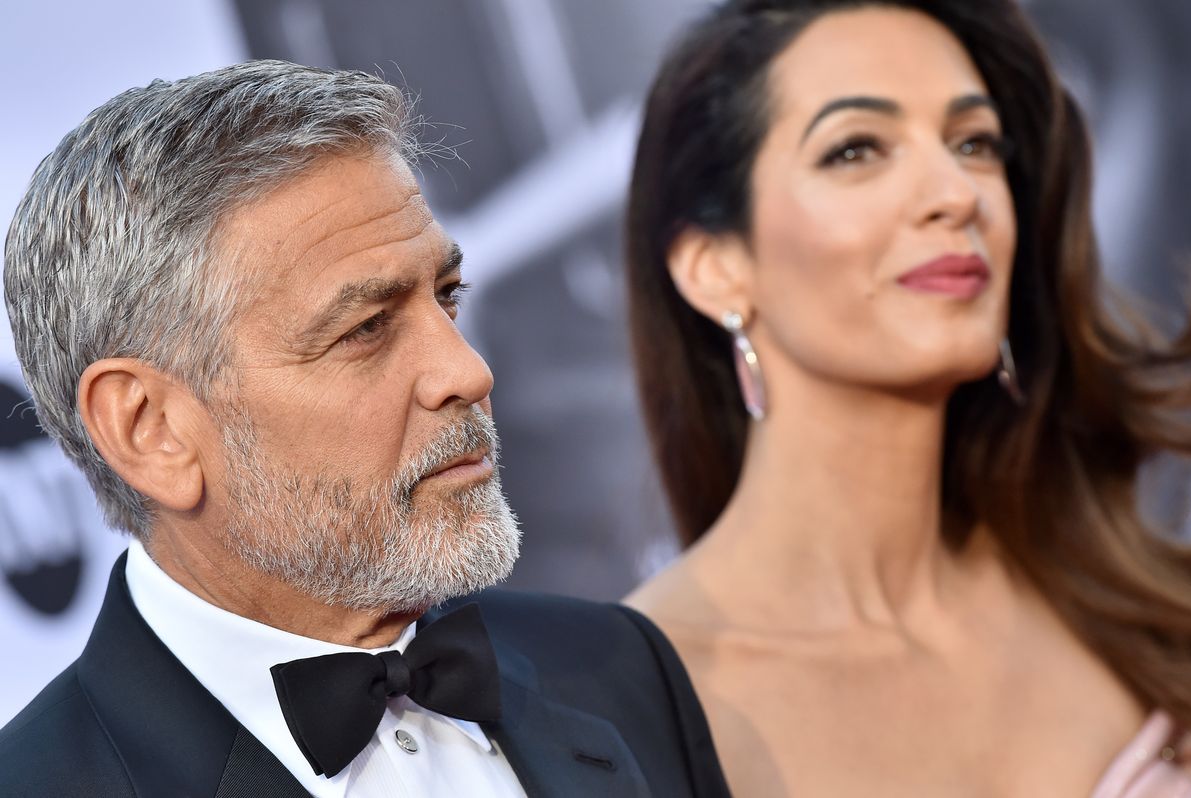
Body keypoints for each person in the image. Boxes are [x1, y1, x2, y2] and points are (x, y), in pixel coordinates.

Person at [0, 60, 728, 797]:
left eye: (447, 296)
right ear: (151, 430)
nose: (467, 372)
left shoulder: (619, 666)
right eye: (367, 328)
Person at [623, 0, 1191, 795]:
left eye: (975, 143)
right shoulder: (628, 708)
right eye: (856, 149)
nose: (956, 192)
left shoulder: (1134, 602)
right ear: (715, 266)